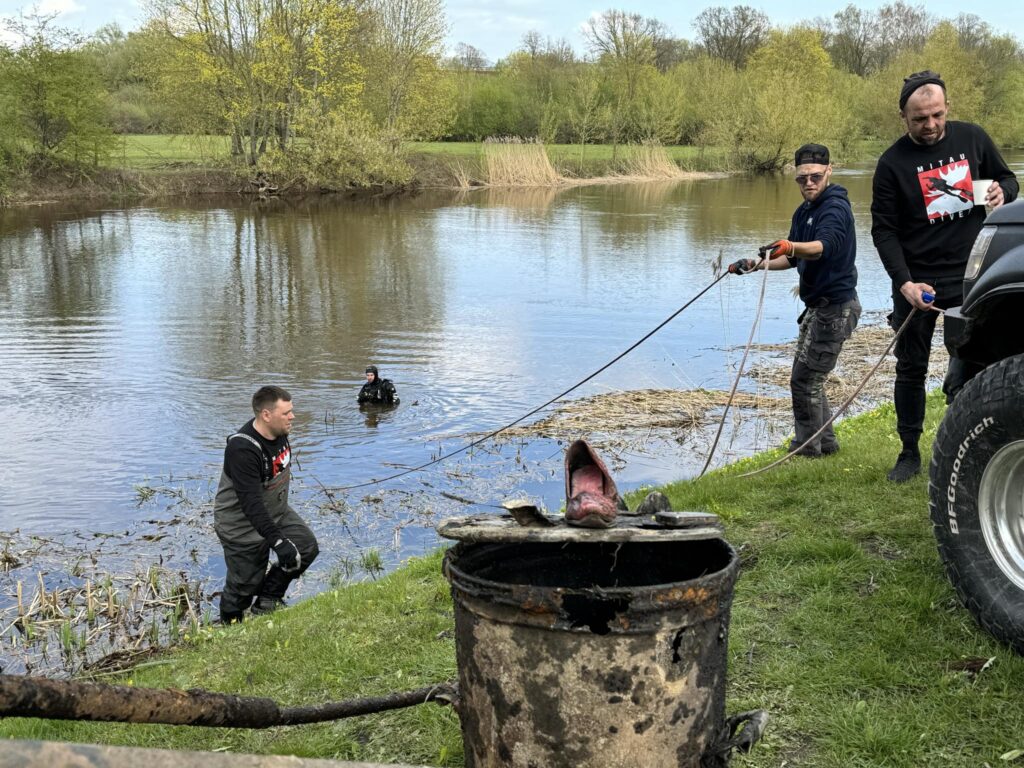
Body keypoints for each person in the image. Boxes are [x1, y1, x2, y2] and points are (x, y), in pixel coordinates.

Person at [871, 70, 1018, 483]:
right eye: (920, 119)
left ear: (947, 107)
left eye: (937, 115)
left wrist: (1003, 192)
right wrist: (904, 282)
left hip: (973, 275)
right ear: (903, 117)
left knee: (976, 360)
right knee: (910, 368)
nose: (931, 125)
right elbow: (883, 231)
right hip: (917, 281)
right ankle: (909, 452)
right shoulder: (892, 163)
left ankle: (972, 440)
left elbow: (1008, 179)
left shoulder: (973, 138)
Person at [730, 143, 860, 458]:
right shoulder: (804, 212)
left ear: (829, 171)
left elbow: (820, 248)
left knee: (805, 381)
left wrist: (790, 245)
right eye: (802, 178)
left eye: (815, 176)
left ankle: (806, 451)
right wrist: (755, 264)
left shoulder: (835, 208)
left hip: (836, 309)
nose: (809, 183)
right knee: (809, 379)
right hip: (817, 308)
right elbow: (793, 259)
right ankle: (825, 444)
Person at [213, 386, 319, 624]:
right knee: (243, 586)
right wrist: (279, 542)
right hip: (241, 526)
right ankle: (230, 629)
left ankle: (267, 601)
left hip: (275, 512)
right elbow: (251, 505)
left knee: (305, 547)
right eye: (286, 413)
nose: (292, 417)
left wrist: (282, 541)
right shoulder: (243, 450)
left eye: (291, 411)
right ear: (266, 415)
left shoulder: (279, 431)